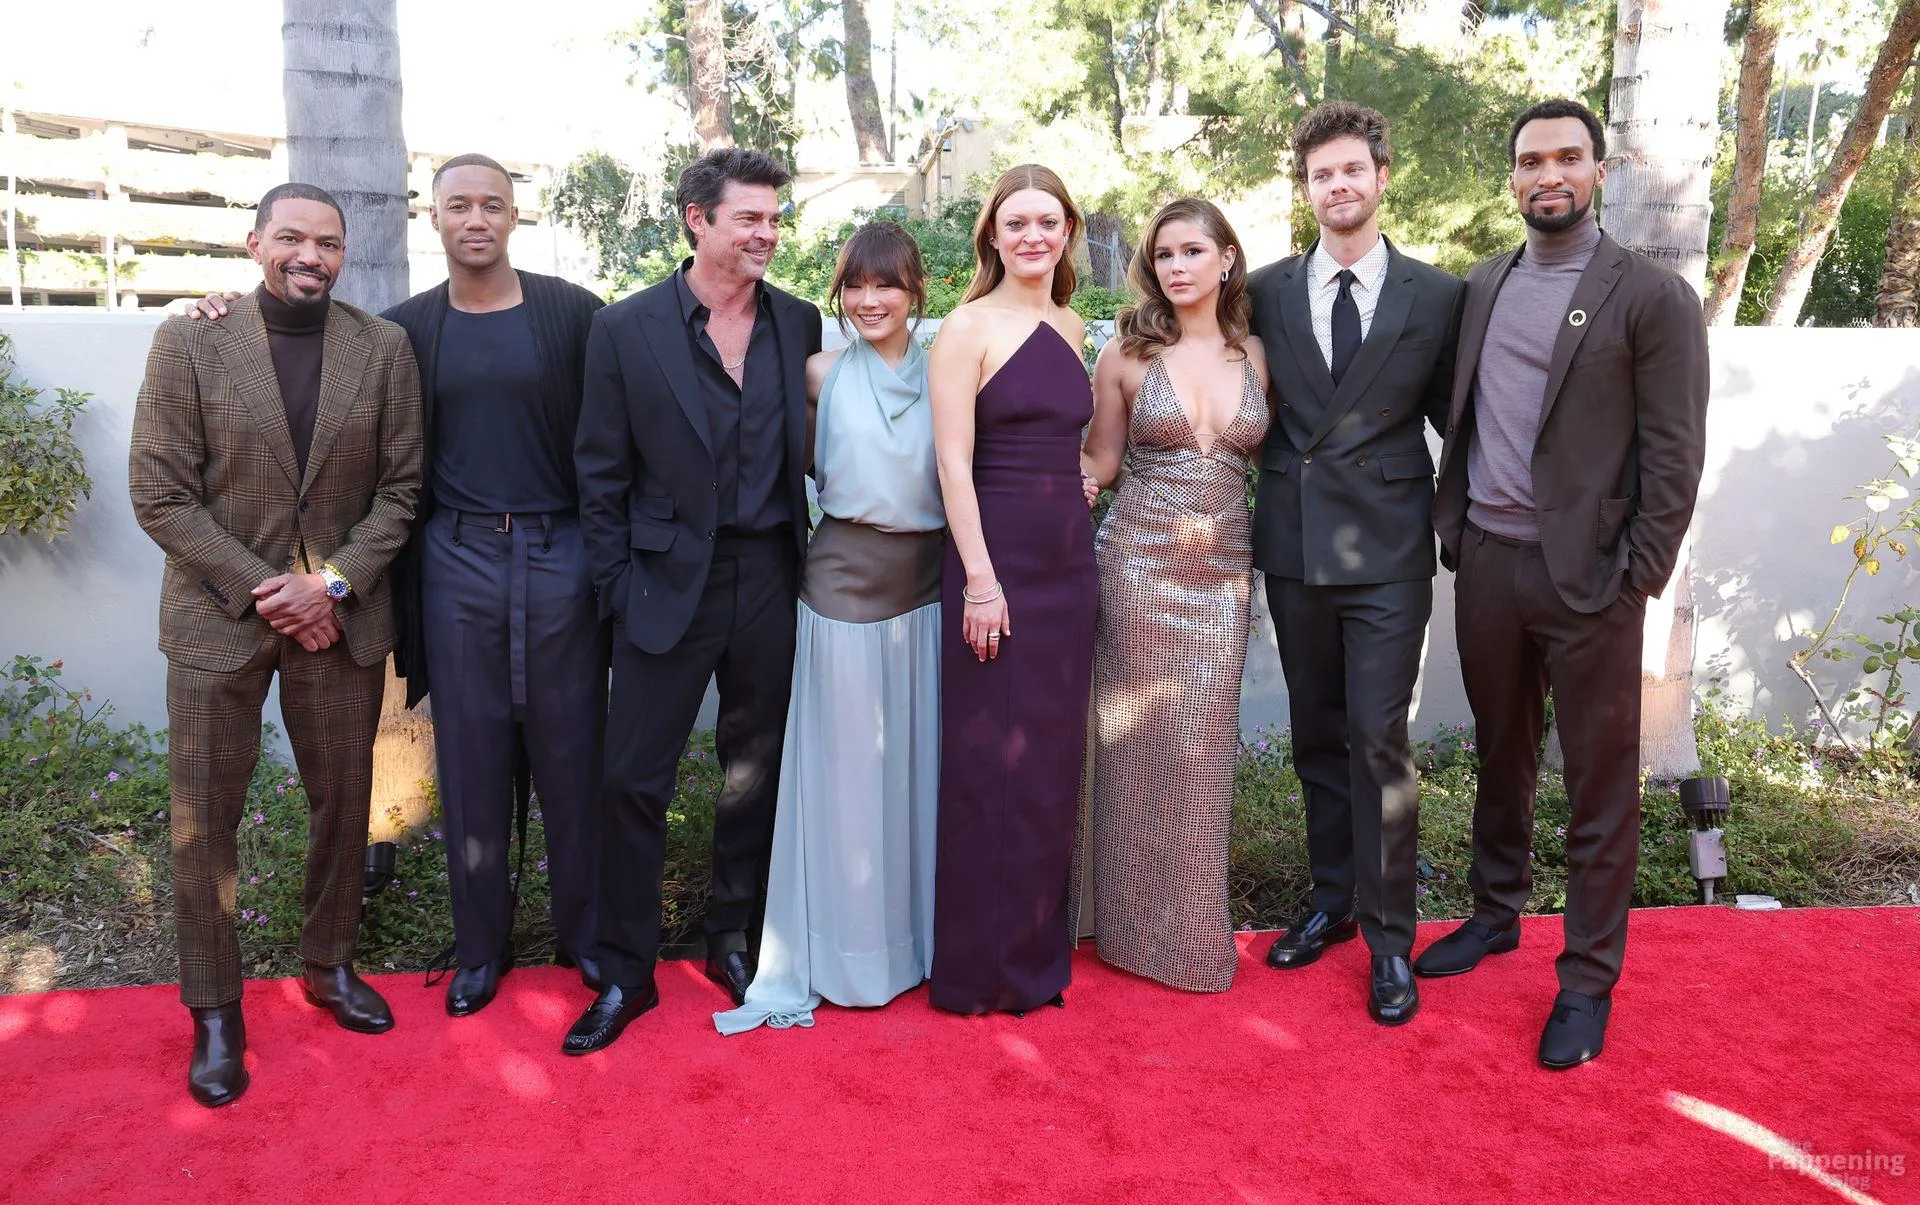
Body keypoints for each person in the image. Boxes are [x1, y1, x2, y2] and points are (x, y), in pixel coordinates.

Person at [183, 155, 612, 1018]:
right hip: (456, 557)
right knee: (472, 755)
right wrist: (218, 306)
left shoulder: (575, 313)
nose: (476, 219)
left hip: (559, 548)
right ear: (434, 217)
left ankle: (590, 936)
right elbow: (319, 363)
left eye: (493, 204)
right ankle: (481, 948)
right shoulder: (405, 331)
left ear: (515, 216)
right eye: (459, 205)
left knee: (573, 753)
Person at [1422, 99, 1709, 1068]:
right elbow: (1463, 409)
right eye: (1531, 159)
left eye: (1568, 157)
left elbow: (1674, 456)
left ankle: (1587, 977)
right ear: (1512, 177)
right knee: (1499, 752)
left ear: (1598, 170)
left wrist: (1637, 577)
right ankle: (1496, 911)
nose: (1549, 174)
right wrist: (1459, 529)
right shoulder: (1483, 284)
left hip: (1592, 581)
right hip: (1488, 563)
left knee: (1598, 782)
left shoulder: (1651, 297)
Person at [129, 183, 423, 1107]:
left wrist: (327, 584)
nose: (310, 255)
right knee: (203, 819)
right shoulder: (191, 340)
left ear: (344, 254)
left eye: (327, 242)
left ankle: (329, 963)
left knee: (343, 803)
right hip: (216, 620)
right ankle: (216, 1009)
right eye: (291, 237)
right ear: (254, 243)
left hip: (339, 620)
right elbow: (160, 493)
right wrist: (276, 592)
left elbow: (402, 492)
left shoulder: (383, 348)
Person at [567, 148, 823, 1054]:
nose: (766, 233)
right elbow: (599, 473)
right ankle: (625, 971)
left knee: (755, 770)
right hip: (663, 583)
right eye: (749, 217)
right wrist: (617, 587)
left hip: (770, 575)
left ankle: (732, 937)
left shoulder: (798, 320)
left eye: (774, 219)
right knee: (633, 778)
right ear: (697, 219)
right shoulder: (624, 328)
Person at [1246, 101, 1464, 1027]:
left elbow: (1464, 423)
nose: (1336, 185)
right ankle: (1332, 900)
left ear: (1381, 177)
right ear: (1307, 190)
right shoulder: (1261, 291)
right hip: (1295, 544)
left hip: (1388, 552)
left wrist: (1458, 526)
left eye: (1350, 170)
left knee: (1378, 741)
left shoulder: (1438, 295)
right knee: (1317, 736)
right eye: (1320, 174)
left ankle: (1389, 940)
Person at [715, 221, 943, 1036]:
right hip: (842, 583)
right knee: (846, 779)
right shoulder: (818, 372)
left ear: (916, 290)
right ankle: (846, 954)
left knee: (916, 771)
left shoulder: (949, 364)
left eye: (886, 285)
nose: (869, 300)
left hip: (932, 589)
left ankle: (918, 944)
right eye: (855, 285)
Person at [1074, 198, 1270, 993]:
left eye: (1193, 250)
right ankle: (1121, 930)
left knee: (1200, 757)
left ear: (1227, 258)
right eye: (1164, 254)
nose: (1178, 266)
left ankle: (1189, 936)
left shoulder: (1258, 353)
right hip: (1137, 568)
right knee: (1129, 750)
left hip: (1223, 578)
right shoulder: (1125, 353)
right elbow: (1101, 460)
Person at [927, 164, 1098, 1016]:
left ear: (1068, 232)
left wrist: (1079, 477)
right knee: (988, 765)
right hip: (993, 566)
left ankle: (1034, 959)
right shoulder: (966, 326)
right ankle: (977, 971)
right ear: (992, 235)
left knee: (1048, 768)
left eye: (1048, 222)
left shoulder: (1072, 324)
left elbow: (1071, 440)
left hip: (1069, 564)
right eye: (1016, 222)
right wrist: (981, 582)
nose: (1034, 236)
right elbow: (952, 462)